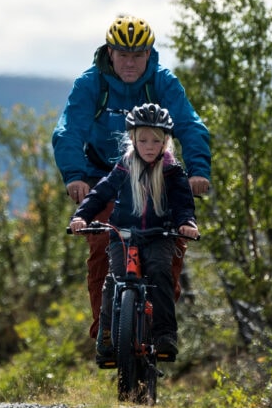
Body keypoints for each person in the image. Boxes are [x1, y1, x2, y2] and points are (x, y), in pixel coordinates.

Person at [52, 13, 211, 341]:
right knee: (102, 246)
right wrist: (75, 176)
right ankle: (107, 331)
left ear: (149, 53)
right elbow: (68, 129)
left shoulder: (162, 82)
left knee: (170, 248)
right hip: (102, 175)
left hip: (157, 176)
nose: (130, 62)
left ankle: (159, 327)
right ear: (110, 52)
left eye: (138, 55)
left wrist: (197, 172)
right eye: (123, 54)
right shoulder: (90, 84)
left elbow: (190, 125)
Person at [69, 103, 199, 363]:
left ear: (165, 142)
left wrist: (186, 222)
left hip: (159, 234)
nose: (149, 146)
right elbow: (100, 193)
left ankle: (165, 335)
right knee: (112, 280)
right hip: (123, 234)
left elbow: (183, 202)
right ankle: (106, 335)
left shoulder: (172, 172)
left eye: (155, 140)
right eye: (143, 140)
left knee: (161, 273)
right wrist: (81, 216)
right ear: (132, 140)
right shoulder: (124, 168)